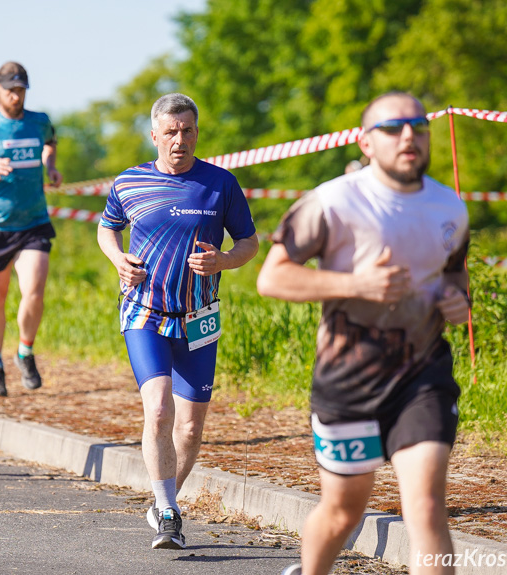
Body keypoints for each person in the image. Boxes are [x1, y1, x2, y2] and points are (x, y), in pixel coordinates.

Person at [257, 92, 470, 575]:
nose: (409, 136)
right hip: (348, 380)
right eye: (393, 128)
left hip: (423, 375)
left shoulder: (449, 207)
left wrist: (459, 302)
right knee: (342, 511)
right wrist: (358, 284)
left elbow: (455, 275)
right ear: (366, 143)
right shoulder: (333, 201)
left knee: (427, 506)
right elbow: (272, 278)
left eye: (418, 125)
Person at [98, 93, 259, 550]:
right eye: (170, 132)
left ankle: (161, 499)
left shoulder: (220, 184)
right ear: (154, 136)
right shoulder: (129, 182)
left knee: (189, 429)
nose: (179, 140)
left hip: (198, 318)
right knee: (160, 408)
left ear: (196, 133)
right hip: (144, 311)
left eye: (187, 131)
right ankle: (169, 512)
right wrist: (117, 259)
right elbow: (106, 227)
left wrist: (223, 261)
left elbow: (250, 242)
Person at [0, 61, 62, 398]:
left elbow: (50, 142)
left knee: (34, 289)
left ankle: (25, 352)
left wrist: (51, 166)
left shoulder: (38, 121)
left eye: (20, 91)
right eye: (9, 91)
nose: (15, 97)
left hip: (33, 221)